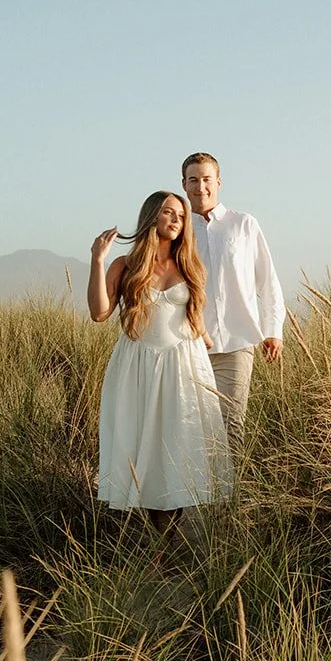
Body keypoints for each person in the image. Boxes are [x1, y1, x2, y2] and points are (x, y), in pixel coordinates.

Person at [88, 190, 231, 527]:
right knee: (145, 450)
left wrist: (214, 349)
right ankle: (162, 548)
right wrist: (97, 260)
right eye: (169, 212)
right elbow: (99, 313)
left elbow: (196, 321)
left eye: (181, 216)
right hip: (138, 365)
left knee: (179, 446)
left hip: (184, 364)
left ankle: (169, 543)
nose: (176, 220)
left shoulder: (189, 264)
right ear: (152, 216)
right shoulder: (127, 265)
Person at [180, 151, 285, 455]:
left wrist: (273, 329)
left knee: (231, 426)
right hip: (190, 344)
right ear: (184, 185)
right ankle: (198, 499)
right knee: (193, 426)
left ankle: (229, 499)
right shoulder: (179, 230)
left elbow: (267, 280)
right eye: (193, 180)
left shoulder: (243, 224)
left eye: (206, 179)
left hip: (237, 344)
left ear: (219, 182)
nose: (201, 187)